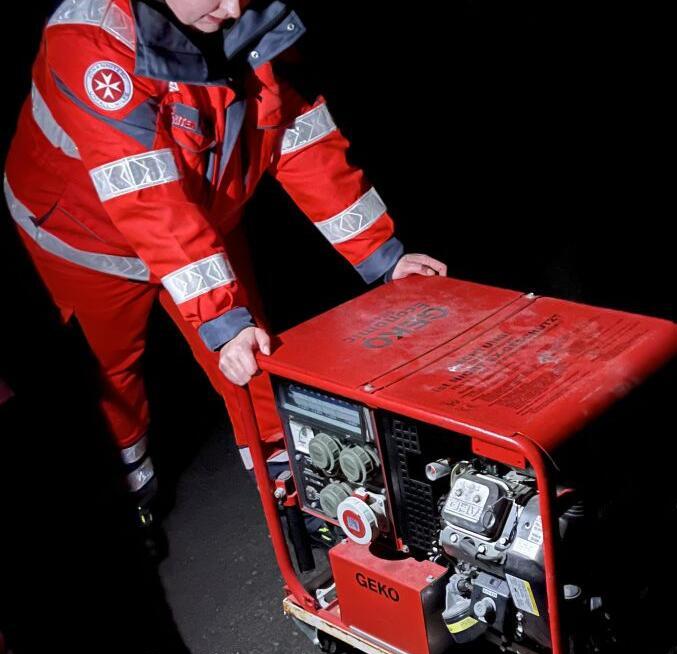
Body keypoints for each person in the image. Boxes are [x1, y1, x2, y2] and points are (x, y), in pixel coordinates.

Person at [4, 0, 447, 532]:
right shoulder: (90, 40)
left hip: (201, 217)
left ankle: (293, 484)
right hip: (85, 241)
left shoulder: (249, 16)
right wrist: (221, 314)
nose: (234, 8)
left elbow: (299, 137)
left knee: (252, 357)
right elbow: (149, 199)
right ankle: (133, 497)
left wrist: (384, 258)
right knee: (110, 381)